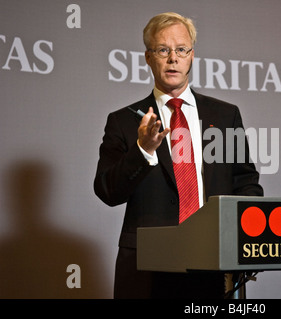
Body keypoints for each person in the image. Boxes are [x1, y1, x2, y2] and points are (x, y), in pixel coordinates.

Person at [94, 12, 263, 299]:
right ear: (148, 57)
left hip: (216, 264)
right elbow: (108, 192)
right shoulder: (123, 121)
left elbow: (245, 183)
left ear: (192, 56)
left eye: (181, 49)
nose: (173, 58)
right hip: (148, 269)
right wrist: (143, 149)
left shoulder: (224, 116)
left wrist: (246, 242)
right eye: (163, 50)